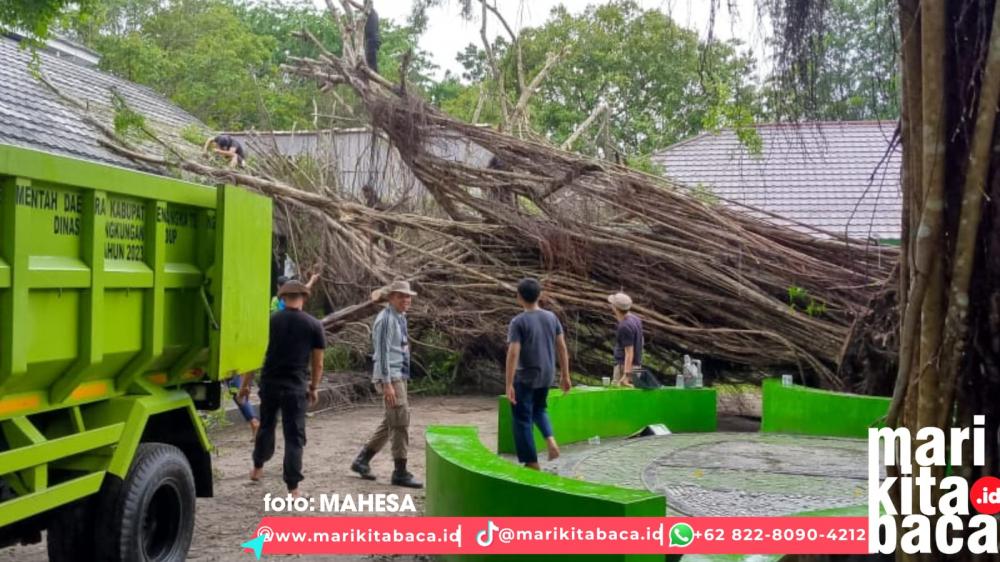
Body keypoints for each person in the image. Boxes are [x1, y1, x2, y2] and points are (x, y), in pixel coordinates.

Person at [239, 280, 326, 497]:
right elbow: (318, 363)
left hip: (269, 384)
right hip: (296, 389)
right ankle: (293, 488)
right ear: (303, 298)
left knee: (266, 427)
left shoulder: (270, 321)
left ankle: (257, 468)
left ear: (282, 299)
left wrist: (245, 385)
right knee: (294, 437)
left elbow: (256, 356)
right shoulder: (314, 325)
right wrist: (314, 387)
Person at [349, 280, 422, 488]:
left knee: (392, 420)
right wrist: (387, 383)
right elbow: (381, 354)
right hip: (391, 376)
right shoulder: (386, 320)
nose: (406, 300)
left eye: (408, 296)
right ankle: (400, 472)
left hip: (399, 373)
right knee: (401, 423)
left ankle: (362, 461)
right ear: (390, 298)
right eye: (401, 296)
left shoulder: (400, 317)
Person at [505, 278, 572, 470]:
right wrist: (565, 375)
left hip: (525, 376)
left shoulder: (518, 322)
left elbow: (513, 353)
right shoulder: (551, 317)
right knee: (539, 409)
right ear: (540, 295)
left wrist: (509, 383)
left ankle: (531, 462)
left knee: (522, 418)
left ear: (519, 297)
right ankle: (550, 440)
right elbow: (561, 347)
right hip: (547, 374)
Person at [609, 292, 643, 387]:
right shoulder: (636, 319)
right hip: (636, 366)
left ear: (615, 307)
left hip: (624, 367)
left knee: (618, 399)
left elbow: (629, 352)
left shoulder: (624, 326)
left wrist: (626, 376)